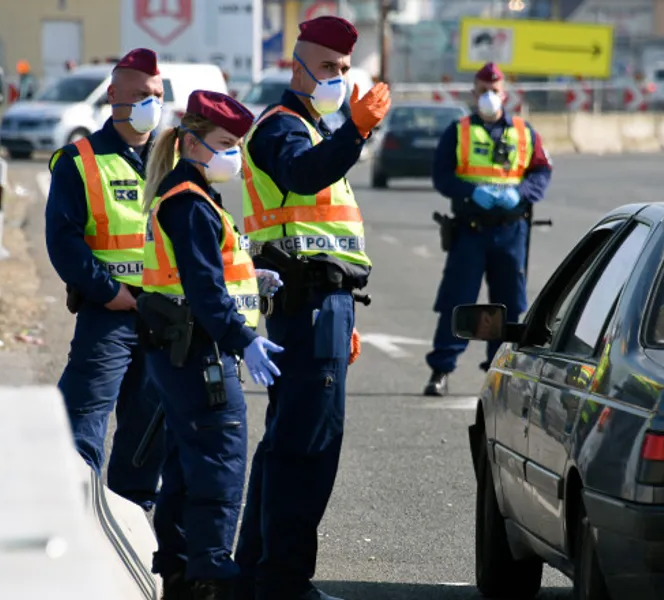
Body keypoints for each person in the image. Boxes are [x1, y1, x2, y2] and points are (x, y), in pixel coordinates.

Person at [236, 15, 391, 600]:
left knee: (286, 444)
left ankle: (255, 571)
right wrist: (355, 131)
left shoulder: (314, 132)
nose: (338, 79)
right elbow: (303, 178)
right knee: (309, 447)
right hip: (307, 305)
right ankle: (283, 580)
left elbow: (330, 236)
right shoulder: (283, 129)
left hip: (324, 304)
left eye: (345, 70)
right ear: (296, 67)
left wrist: (343, 309)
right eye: (328, 68)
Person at [138, 89, 284, 600]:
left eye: (238, 144)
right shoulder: (190, 203)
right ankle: (211, 575)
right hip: (201, 355)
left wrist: (251, 277)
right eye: (226, 143)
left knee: (186, 464)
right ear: (193, 143)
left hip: (184, 352)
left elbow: (205, 274)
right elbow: (203, 291)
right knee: (220, 463)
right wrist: (246, 341)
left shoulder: (190, 196)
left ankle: (179, 569)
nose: (235, 155)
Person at [44, 48, 166, 509]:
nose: (149, 105)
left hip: (160, 313)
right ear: (113, 96)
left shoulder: (172, 161)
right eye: (138, 95)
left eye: (156, 95)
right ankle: (76, 515)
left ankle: (132, 520)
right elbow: (64, 241)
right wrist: (108, 291)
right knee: (83, 419)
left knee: (148, 427)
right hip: (109, 312)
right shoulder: (79, 160)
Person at [423, 62, 553, 396]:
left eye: (494, 91)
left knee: (508, 304)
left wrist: (520, 194)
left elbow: (540, 172)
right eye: (483, 90)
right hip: (470, 230)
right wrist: (470, 192)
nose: (489, 97)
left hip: (511, 230)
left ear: (504, 93)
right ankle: (441, 370)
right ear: (474, 92)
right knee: (457, 298)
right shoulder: (459, 130)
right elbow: (442, 176)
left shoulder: (525, 132)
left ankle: (500, 372)